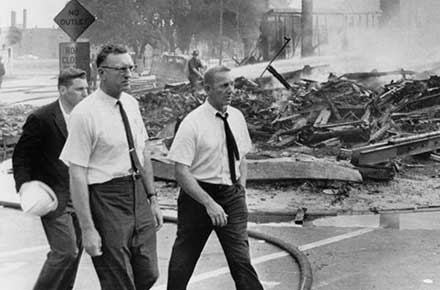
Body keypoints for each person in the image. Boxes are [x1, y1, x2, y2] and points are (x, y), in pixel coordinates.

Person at [60, 44, 163, 290]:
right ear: (101, 73)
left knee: (148, 272)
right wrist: (88, 229)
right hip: (107, 197)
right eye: (120, 69)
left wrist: (153, 198)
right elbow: (77, 173)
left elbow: (143, 153)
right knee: (117, 278)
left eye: (130, 67)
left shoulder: (131, 104)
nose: (128, 74)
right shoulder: (85, 113)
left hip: (138, 193)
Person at [166, 65, 264, 290]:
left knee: (241, 261)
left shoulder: (237, 117)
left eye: (232, 84)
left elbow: (242, 158)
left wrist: (241, 190)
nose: (231, 90)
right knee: (183, 262)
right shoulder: (192, 123)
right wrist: (209, 203)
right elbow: (181, 172)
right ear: (207, 89)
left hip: (231, 195)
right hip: (198, 198)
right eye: (224, 86)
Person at [12, 67, 88, 290]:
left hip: (82, 195)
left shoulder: (87, 116)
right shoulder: (42, 118)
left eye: (87, 88)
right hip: (55, 196)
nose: (86, 93)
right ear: (63, 90)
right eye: (79, 89)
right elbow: (22, 156)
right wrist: (25, 188)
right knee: (65, 251)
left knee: (77, 252)